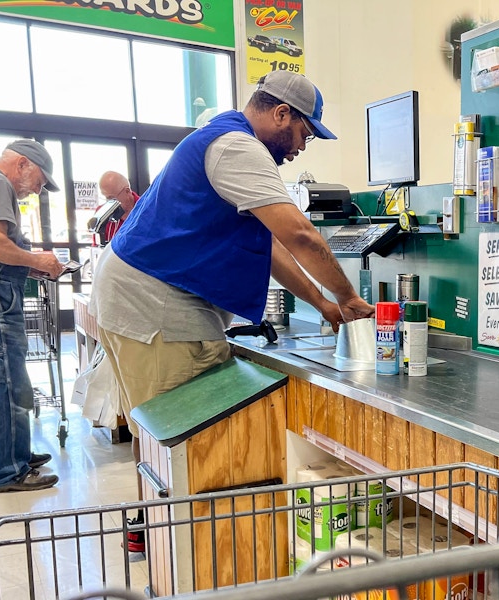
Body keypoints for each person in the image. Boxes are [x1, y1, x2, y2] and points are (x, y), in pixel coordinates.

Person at [89, 70, 374, 550]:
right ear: (281, 114)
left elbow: (274, 248)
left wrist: (323, 303)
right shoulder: (238, 146)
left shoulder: (223, 138)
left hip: (136, 296)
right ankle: (189, 559)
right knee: (195, 438)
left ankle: (150, 535)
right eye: (305, 132)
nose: (303, 146)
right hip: (159, 307)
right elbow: (300, 235)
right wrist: (349, 299)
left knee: (159, 430)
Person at [0, 139, 63, 493]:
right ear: (22, 164)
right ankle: (7, 470)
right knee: (8, 380)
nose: (38, 190)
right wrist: (37, 261)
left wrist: (30, 269)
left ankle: (10, 451)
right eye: (40, 181)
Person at [96, 171, 139, 244]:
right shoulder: (101, 213)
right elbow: (97, 248)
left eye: (111, 198)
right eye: (105, 198)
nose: (108, 202)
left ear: (127, 191)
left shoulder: (147, 209)